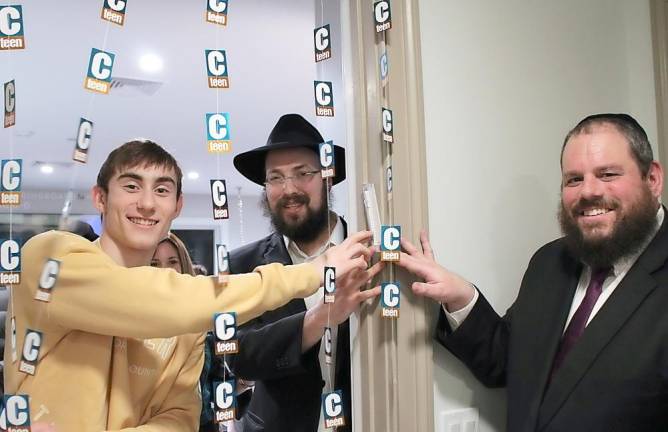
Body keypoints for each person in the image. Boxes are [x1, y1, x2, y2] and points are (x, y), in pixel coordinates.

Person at [4, 139, 374, 431]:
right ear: (100, 197)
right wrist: (317, 271)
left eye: (162, 191)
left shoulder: (189, 323)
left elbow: (178, 417)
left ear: (178, 205)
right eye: (131, 186)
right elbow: (154, 304)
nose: (147, 203)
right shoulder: (50, 257)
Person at [398, 113, 668, 431]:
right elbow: (509, 362)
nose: (588, 192)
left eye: (607, 174)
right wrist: (461, 297)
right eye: (574, 179)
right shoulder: (549, 262)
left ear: (652, 179)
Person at [226, 114, 382, 432]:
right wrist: (319, 318)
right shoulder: (242, 264)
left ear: (327, 177)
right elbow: (238, 356)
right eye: (276, 178)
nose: (289, 189)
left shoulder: (371, 251)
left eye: (302, 174)